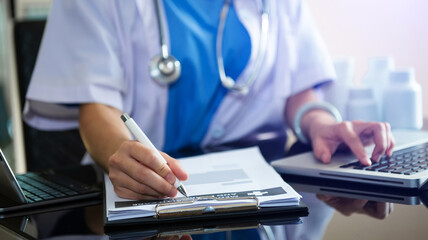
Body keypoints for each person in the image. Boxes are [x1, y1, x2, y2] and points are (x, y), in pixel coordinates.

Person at [24, 0, 395, 238]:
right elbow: (96, 106)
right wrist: (122, 152)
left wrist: (318, 123)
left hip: (262, 198)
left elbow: (299, 88)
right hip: (144, 195)